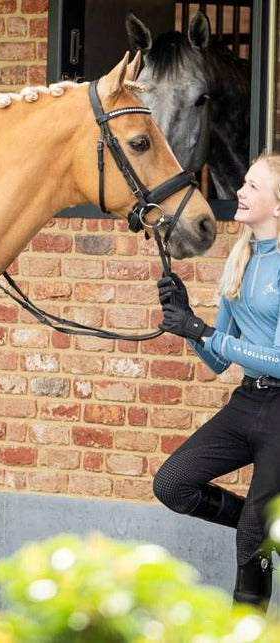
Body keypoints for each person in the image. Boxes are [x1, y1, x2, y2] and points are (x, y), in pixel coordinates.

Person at [154, 153, 280, 609]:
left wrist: (204, 332)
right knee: (173, 484)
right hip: (248, 402)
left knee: (251, 537)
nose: (239, 192)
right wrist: (187, 322)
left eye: (251, 187)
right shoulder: (242, 256)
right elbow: (216, 359)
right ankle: (263, 526)